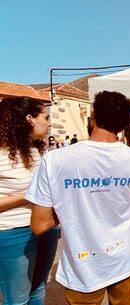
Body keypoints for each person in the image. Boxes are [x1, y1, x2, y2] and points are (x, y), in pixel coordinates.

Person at [27, 91, 130, 305]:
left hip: (83, 267)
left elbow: (39, 225)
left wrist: (73, 205)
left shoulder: (54, 160)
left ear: (93, 116)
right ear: (124, 125)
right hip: (124, 261)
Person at [0, 96, 59, 305]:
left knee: (38, 289)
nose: (50, 122)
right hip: (13, 232)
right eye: (46, 117)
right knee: (17, 300)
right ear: (29, 119)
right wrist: (28, 195)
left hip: (47, 227)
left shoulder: (39, 150)